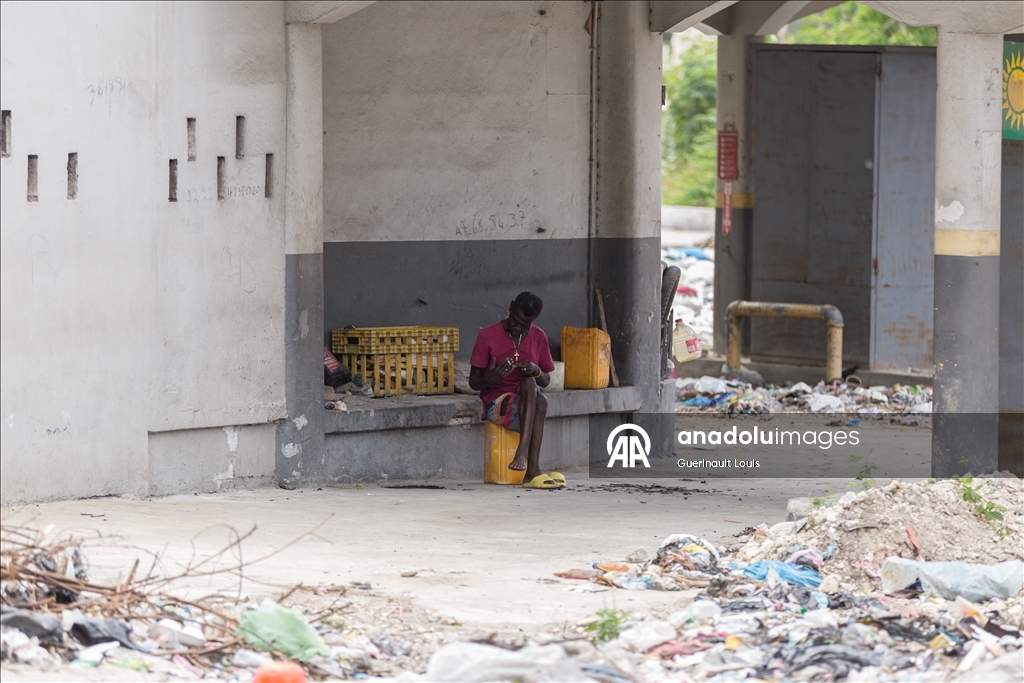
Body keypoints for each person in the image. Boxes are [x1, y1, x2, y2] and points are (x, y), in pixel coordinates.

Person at [469, 292, 562, 489]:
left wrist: (536, 370)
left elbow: (545, 381)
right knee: (536, 395)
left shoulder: (539, 336)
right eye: (515, 320)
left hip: (527, 401)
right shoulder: (487, 335)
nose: (518, 327)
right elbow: (473, 382)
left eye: (524, 325)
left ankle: (528, 463)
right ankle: (531, 467)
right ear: (510, 307)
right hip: (498, 402)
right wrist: (490, 379)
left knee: (533, 387)